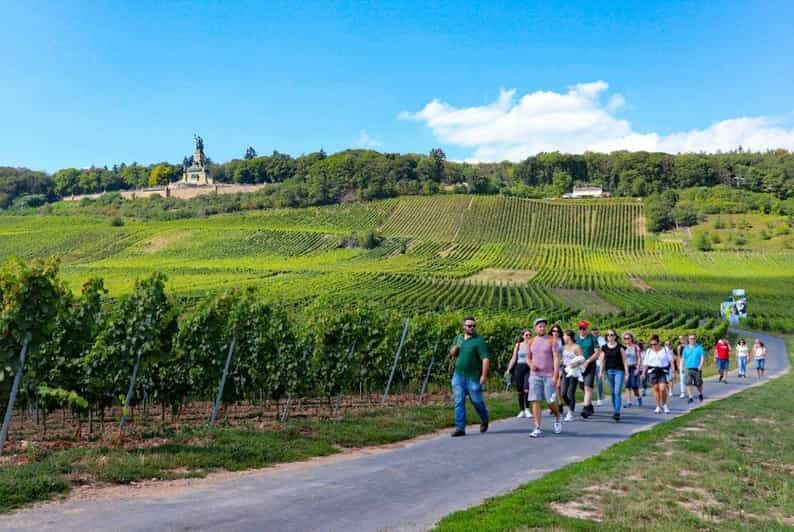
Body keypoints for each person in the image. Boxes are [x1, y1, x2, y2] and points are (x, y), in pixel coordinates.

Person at [449, 316, 489, 437]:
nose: (472, 328)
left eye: (473, 326)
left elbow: (485, 359)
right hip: (458, 375)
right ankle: (460, 428)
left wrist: (484, 375)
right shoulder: (458, 338)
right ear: (464, 327)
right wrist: (457, 346)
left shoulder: (479, 341)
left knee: (477, 401)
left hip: (473, 377)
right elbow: (452, 353)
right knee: (459, 401)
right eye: (469, 326)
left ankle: (484, 419)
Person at [527, 318, 562, 438]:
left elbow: (556, 359)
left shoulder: (552, 341)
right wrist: (531, 364)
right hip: (535, 376)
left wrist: (555, 376)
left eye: (543, 326)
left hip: (549, 375)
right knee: (535, 400)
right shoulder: (531, 341)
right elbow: (528, 357)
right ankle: (537, 427)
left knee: (550, 401)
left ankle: (557, 416)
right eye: (540, 326)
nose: (542, 328)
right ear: (535, 328)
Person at [599, 329, 628, 422]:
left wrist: (627, 373)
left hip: (619, 371)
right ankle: (615, 409)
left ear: (615, 336)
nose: (610, 336)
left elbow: (624, 360)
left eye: (612, 335)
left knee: (617, 392)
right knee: (612, 392)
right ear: (606, 337)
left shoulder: (620, 347)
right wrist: (600, 372)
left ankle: (617, 412)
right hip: (609, 371)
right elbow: (602, 360)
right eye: (608, 335)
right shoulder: (604, 347)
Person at [576, 320, 601, 419]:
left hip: (590, 365)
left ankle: (585, 408)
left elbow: (597, 352)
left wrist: (588, 361)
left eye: (584, 328)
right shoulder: (576, 338)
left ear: (587, 329)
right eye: (580, 328)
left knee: (587, 387)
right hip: (579, 366)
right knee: (582, 387)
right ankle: (590, 405)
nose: (582, 330)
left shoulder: (592, 338)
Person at [642, 334, 671, 414]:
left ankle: (664, 405)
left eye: (654, 344)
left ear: (658, 343)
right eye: (651, 344)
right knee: (655, 389)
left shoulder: (665, 350)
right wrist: (643, 373)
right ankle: (658, 406)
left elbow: (670, 360)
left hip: (662, 371)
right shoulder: (649, 351)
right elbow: (645, 363)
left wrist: (673, 371)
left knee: (662, 388)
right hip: (652, 371)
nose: (653, 346)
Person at [506, 330, 531, 418]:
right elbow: (514, 358)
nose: (528, 336)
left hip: (528, 368)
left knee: (526, 389)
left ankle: (527, 409)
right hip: (519, 367)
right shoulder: (518, 345)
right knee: (520, 390)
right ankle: (522, 410)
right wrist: (508, 369)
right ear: (523, 336)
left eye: (529, 335)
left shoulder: (532, 344)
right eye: (526, 335)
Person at [560, 330, 584, 421]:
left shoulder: (576, 347)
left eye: (564, 336)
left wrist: (576, 364)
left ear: (568, 337)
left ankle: (570, 412)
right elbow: (562, 359)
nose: (563, 337)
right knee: (563, 393)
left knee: (571, 392)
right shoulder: (563, 347)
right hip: (565, 370)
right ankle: (570, 406)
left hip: (574, 371)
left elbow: (582, 359)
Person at [682, 334, 705, 403]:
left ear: (695, 339)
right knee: (688, 383)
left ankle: (700, 394)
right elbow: (683, 358)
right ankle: (690, 397)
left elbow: (702, 357)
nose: (692, 340)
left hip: (697, 368)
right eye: (691, 339)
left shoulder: (699, 347)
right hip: (688, 368)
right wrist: (682, 367)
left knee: (698, 383)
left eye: (693, 338)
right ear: (688, 340)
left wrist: (700, 365)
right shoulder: (686, 348)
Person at [622, 332, 643, 408]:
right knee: (627, 385)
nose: (626, 340)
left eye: (628, 338)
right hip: (625, 368)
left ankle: (638, 397)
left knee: (634, 385)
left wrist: (638, 368)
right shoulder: (622, 347)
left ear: (631, 339)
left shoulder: (636, 347)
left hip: (633, 367)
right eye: (625, 338)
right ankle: (629, 402)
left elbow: (639, 358)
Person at [550, 324, 564, 410]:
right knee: (553, 386)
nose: (555, 333)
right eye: (554, 331)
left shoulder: (562, 341)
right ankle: (559, 403)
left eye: (557, 331)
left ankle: (560, 402)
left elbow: (567, 351)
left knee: (558, 385)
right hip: (551, 365)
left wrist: (563, 360)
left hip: (561, 365)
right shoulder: (548, 340)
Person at [592, 327, 606, 407]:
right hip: (590, 362)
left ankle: (599, 398)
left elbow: (603, 350)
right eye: (593, 333)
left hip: (599, 363)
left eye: (596, 333)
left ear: (598, 333)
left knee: (599, 381)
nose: (595, 335)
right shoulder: (589, 339)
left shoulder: (602, 340)